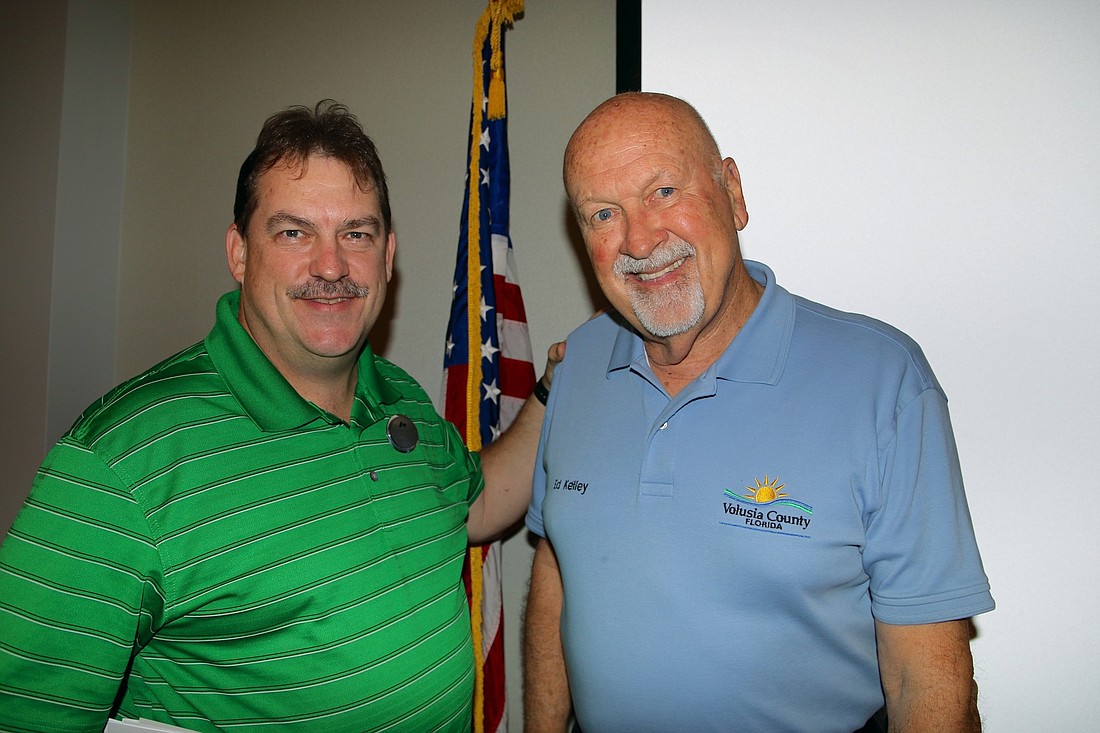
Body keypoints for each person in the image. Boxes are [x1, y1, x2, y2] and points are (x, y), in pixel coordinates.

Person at [0, 100, 552, 733]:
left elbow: (478, 506)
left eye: (357, 233)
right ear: (239, 252)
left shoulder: (401, 401)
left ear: (389, 254)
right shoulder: (119, 462)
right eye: (293, 233)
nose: (331, 267)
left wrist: (551, 392)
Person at [523, 92, 994, 733]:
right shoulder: (574, 365)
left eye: (664, 191)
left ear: (733, 192)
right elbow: (557, 568)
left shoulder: (882, 382)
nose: (639, 237)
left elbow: (927, 685)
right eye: (604, 214)